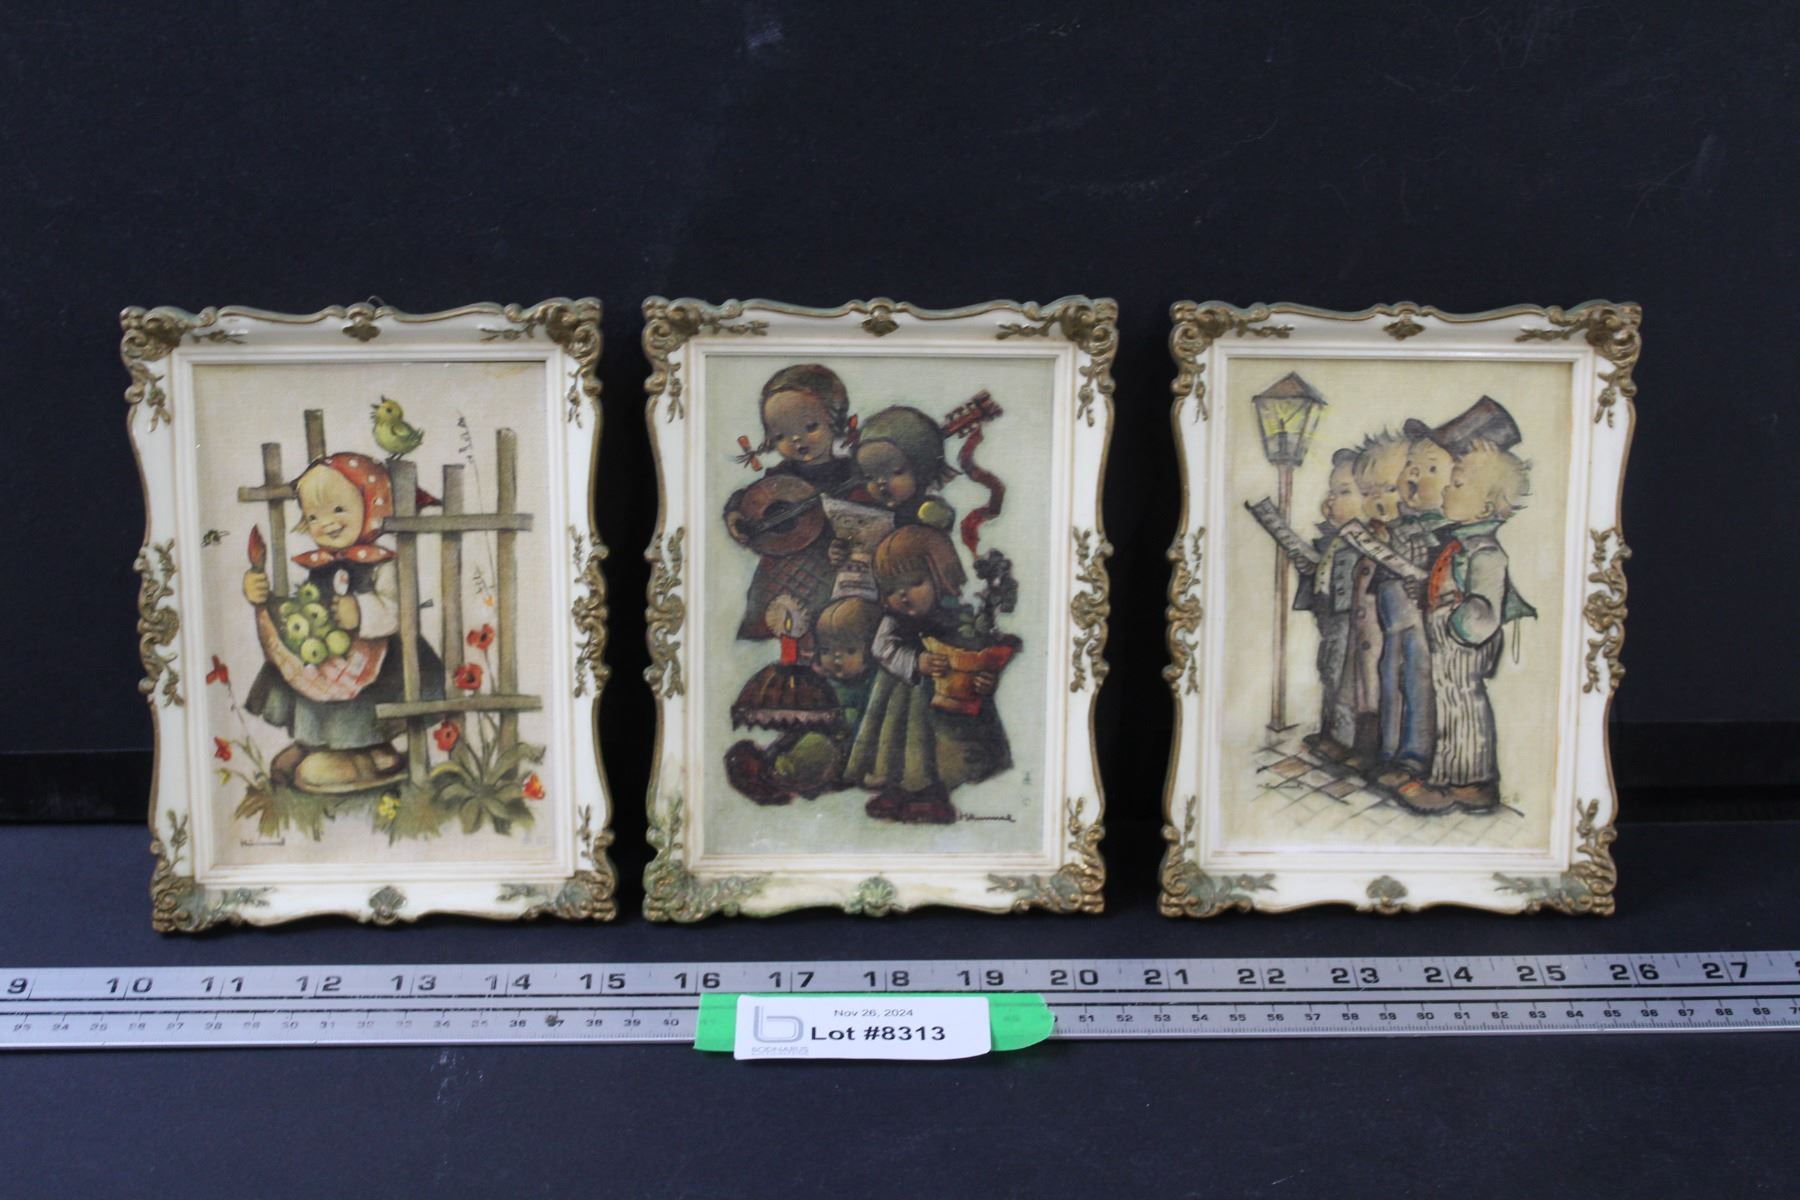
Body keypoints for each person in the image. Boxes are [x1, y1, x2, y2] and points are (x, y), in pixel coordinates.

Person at [242, 453, 443, 793]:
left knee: (361, 709)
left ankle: (366, 757)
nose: (327, 523)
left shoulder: (383, 565)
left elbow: (399, 611)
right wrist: (259, 594)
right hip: (329, 656)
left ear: (371, 505)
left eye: (338, 509)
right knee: (315, 687)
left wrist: (362, 612)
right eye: (313, 516)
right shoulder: (320, 565)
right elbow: (302, 611)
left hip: (379, 660)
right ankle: (318, 745)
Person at [1396, 440, 1537, 815]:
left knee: (1464, 708)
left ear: (1486, 507)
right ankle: (1446, 780)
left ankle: (1471, 783)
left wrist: (1455, 620)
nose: (1446, 489)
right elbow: (1447, 583)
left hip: (1464, 644)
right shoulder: (1460, 545)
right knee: (1449, 707)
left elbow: (1483, 612)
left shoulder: (1486, 553)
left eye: (1457, 484)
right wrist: (1425, 590)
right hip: (1448, 642)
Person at [845, 526, 1010, 824]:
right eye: (892, 589)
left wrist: (986, 680)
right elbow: (882, 649)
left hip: (951, 699)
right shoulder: (892, 621)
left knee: (940, 748)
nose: (903, 595)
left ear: (941, 576)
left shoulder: (959, 617)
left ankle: (933, 794)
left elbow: (978, 654)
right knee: (898, 742)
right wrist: (914, 661)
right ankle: (896, 788)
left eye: (915, 583)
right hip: (902, 695)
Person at [724, 364, 861, 639]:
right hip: (782, 566)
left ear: (834, 421)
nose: (796, 440)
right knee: (779, 622)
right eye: (781, 436)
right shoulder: (782, 475)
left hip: (831, 566)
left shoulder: (849, 472)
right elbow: (750, 496)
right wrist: (734, 514)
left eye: (810, 427)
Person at [723, 597, 882, 804]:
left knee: (814, 746)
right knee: (791, 740)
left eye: (849, 650)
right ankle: (769, 766)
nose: (836, 658)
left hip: (841, 746)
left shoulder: (870, 686)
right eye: (826, 650)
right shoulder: (825, 680)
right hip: (818, 736)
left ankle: (776, 774)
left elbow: (861, 720)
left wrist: (838, 718)